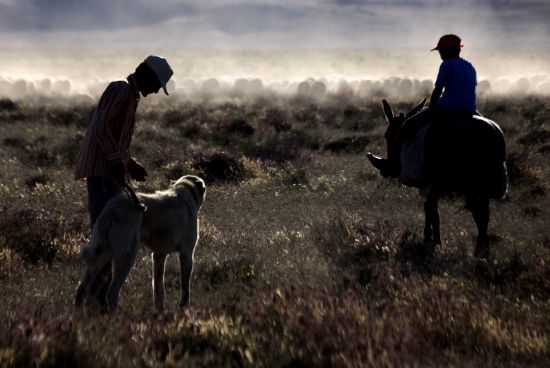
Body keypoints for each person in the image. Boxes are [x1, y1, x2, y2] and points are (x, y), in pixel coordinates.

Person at [74, 55, 173, 309]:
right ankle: (95, 303)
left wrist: (129, 164)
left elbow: (117, 140)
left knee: (110, 236)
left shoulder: (131, 96)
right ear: (146, 74)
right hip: (102, 174)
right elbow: (101, 129)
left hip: (111, 174)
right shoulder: (120, 89)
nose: (154, 91)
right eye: (156, 84)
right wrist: (118, 162)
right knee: (106, 236)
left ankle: (95, 300)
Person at [371, 34, 477, 178]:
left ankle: (392, 165)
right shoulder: (469, 66)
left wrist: (432, 108)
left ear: (447, 51)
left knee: (406, 126)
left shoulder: (447, 65)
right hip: (470, 110)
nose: (440, 54)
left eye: (441, 51)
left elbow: (438, 89)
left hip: (447, 109)